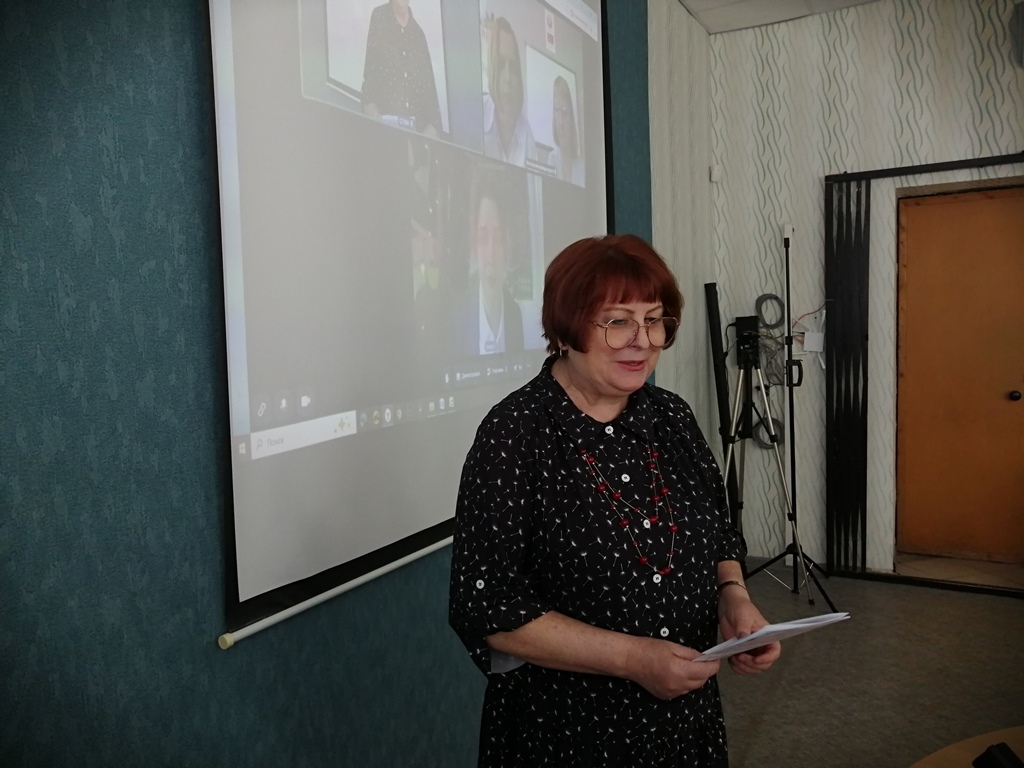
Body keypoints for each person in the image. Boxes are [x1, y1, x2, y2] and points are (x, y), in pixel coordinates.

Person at [449, 234, 780, 766]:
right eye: (618, 321)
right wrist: (633, 659)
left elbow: (718, 533)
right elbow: (489, 607)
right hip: (567, 733)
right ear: (566, 328)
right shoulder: (514, 435)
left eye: (654, 320)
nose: (642, 341)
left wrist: (733, 598)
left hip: (684, 723)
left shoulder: (672, 416)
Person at [450, 174, 524, 357]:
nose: (491, 256)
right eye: (483, 238)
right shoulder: (457, 314)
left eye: (498, 239)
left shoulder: (514, 314)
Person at [361, 0, 442, 137]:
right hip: (384, 136)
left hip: (414, 140)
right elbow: (369, 90)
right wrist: (377, 124)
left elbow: (434, 116)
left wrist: (418, 143)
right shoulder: (379, 18)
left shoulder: (419, 36)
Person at [482, 17, 537, 167]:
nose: (507, 78)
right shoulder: (477, 117)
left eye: (512, 66)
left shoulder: (526, 134)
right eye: (501, 65)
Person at [549, 75, 584, 185]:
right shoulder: (552, 159)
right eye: (556, 110)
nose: (560, 123)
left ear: (572, 119)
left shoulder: (582, 166)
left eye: (564, 112)